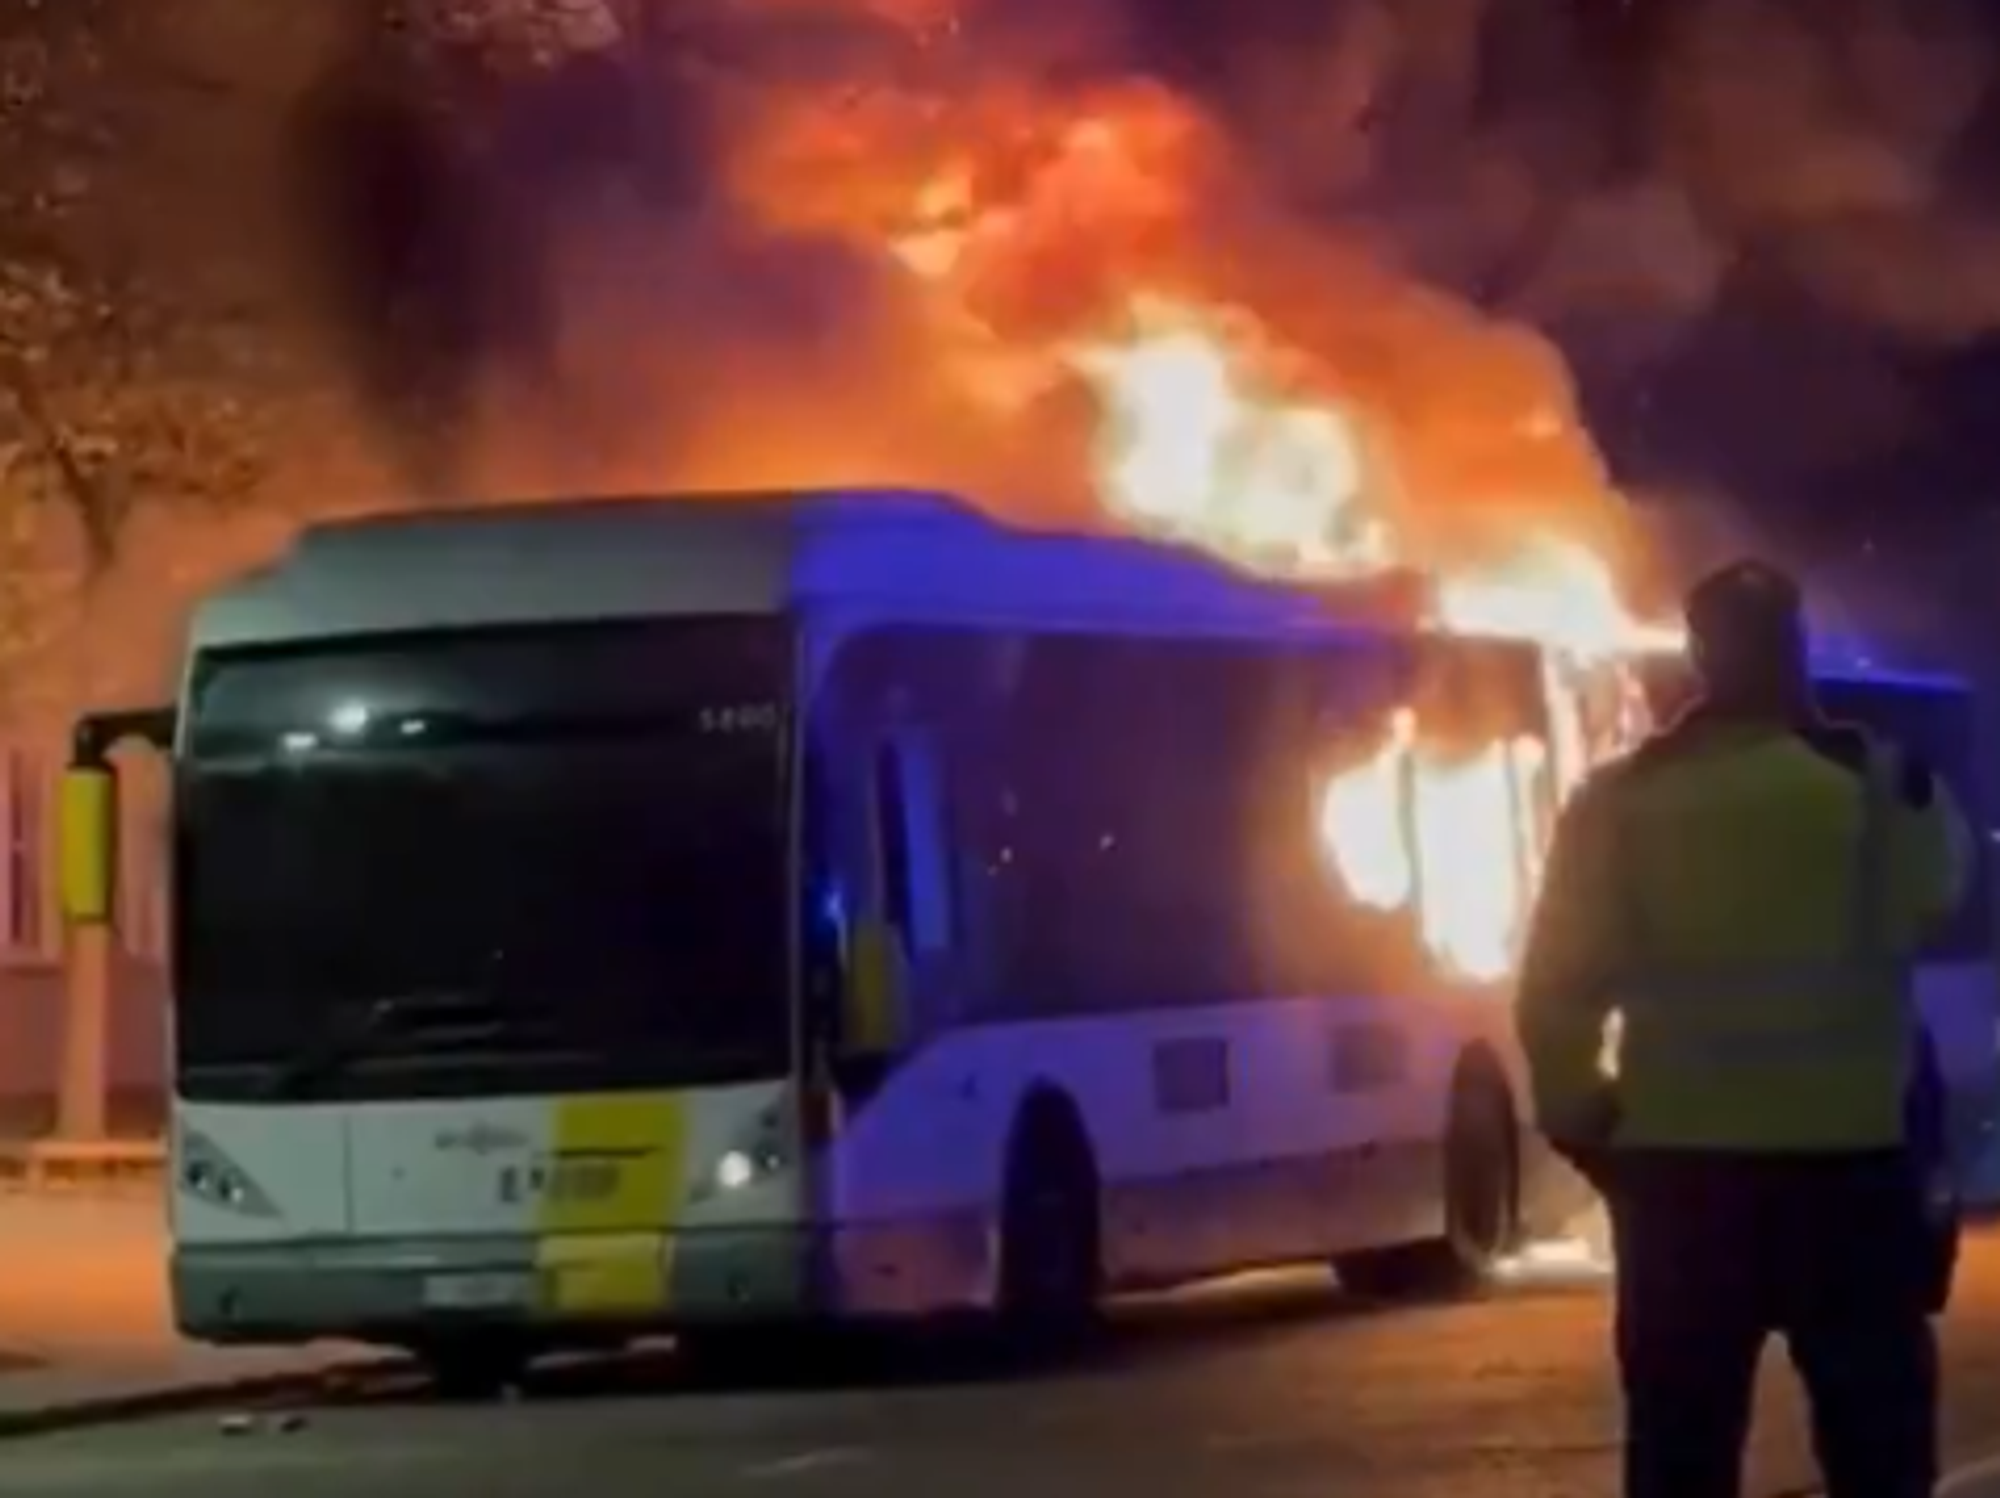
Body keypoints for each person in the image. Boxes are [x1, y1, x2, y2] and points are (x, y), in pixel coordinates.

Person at [1516, 559, 1971, 1498]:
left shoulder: (1618, 803)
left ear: (1699, 657)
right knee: (1877, 1449)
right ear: (1795, 652)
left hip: (1682, 1186)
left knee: (1681, 1446)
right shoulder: (1880, 791)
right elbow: (1944, 888)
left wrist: (1583, 1117)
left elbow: (1558, 988)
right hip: (1851, 1173)